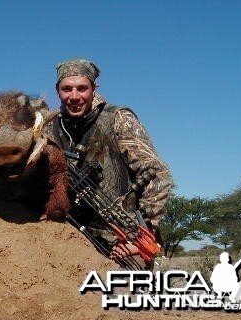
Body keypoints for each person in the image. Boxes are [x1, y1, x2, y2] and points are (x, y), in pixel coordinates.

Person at [45, 58, 173, 267]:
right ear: (57, 90)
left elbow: (157, 174)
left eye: (82, 88)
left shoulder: (118, 118)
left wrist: (143, 236)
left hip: (120, 240)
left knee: (121, 293)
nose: (74, 96)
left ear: (94, 88)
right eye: (67, 89)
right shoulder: (48, 128)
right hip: (68, 235)